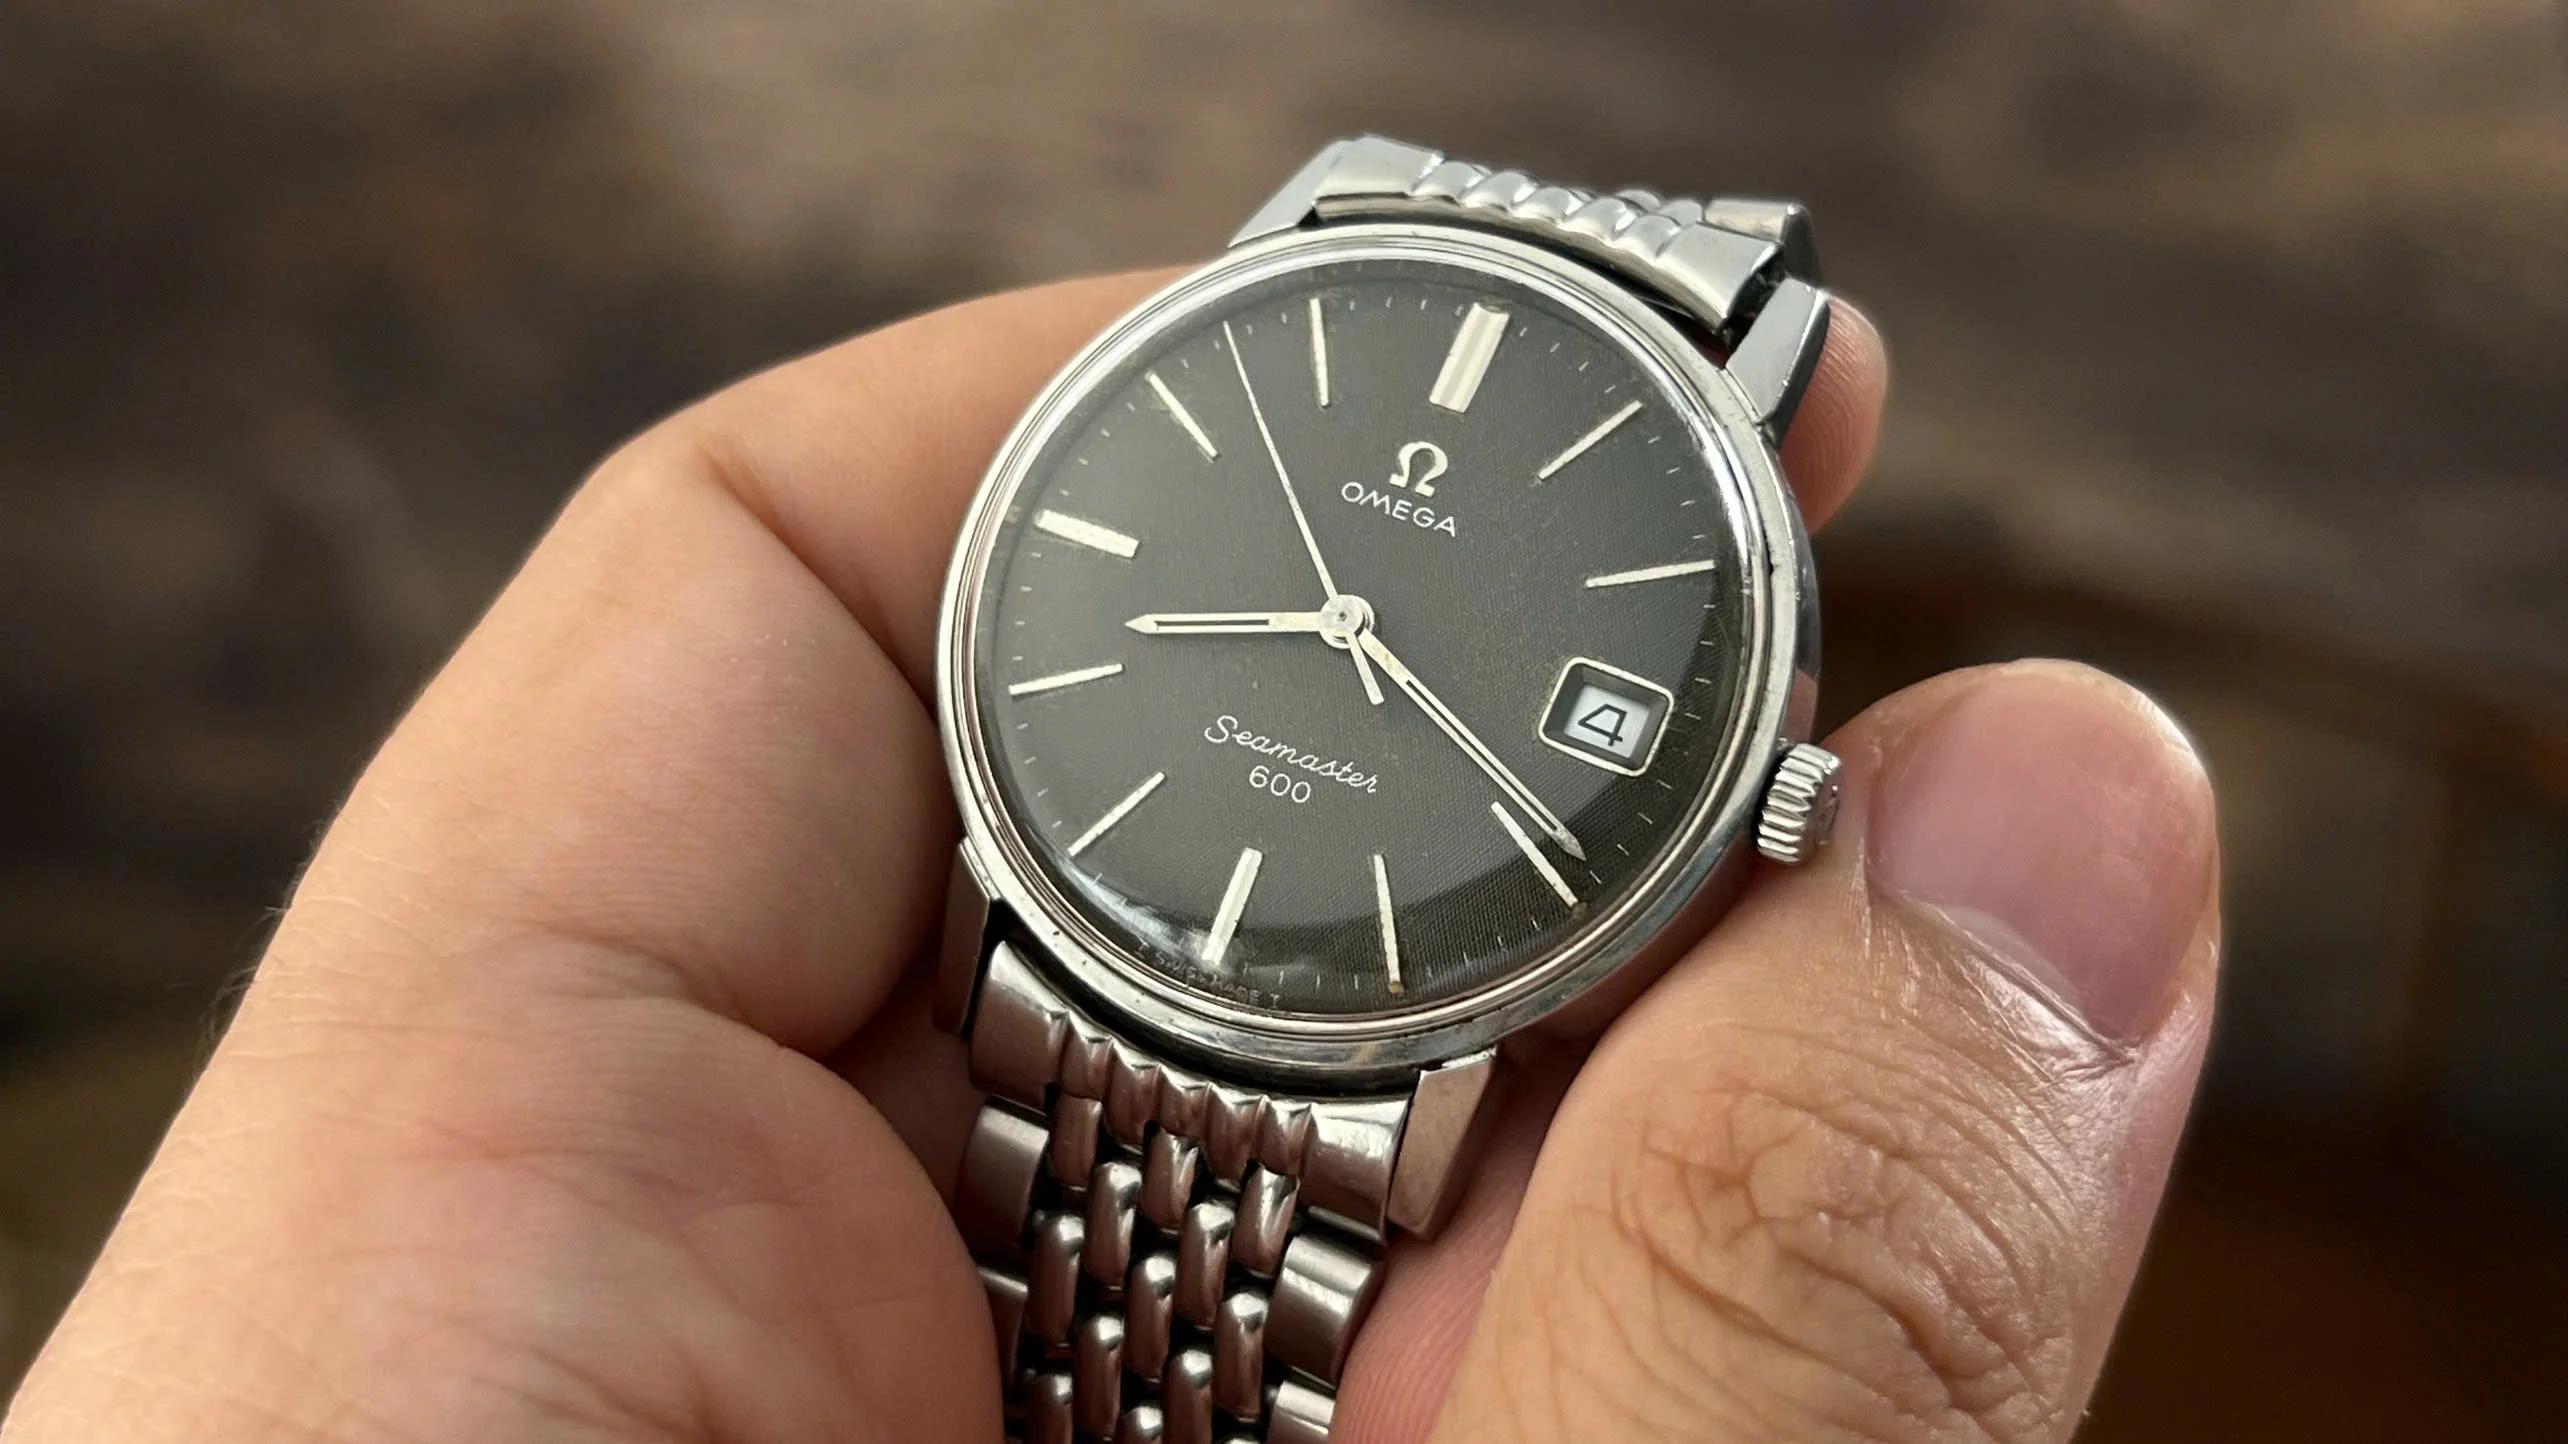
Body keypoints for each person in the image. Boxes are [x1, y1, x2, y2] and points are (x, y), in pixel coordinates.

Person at [1, 274, 2216, 1443]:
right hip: (1085, 944)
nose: (1345, 627)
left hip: (1385, 1038)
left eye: (1354, 626)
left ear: (1761, 791)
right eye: (1331, 610)